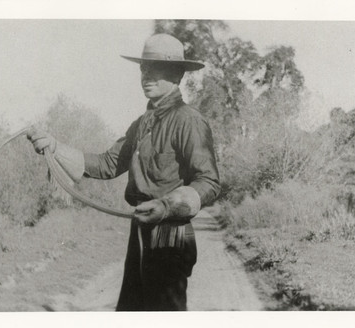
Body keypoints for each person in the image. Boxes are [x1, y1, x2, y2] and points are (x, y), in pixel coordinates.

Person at [27, 33, 221, 311]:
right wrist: (54, 147)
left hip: (170, 236)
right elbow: (106, 164)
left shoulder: (189, 121)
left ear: (177, 74)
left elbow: (210, 182)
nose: (147, 75)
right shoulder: (140, 124)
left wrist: (167, 206)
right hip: (140, 233)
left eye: (156, 68)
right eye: (144, 68)